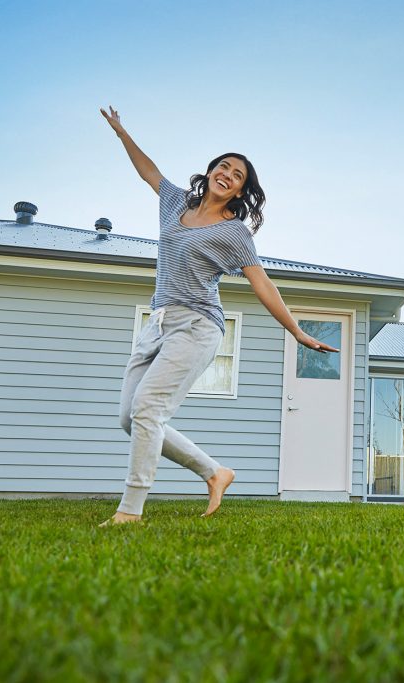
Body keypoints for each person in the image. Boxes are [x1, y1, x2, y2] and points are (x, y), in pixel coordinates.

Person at [98, 106, 338, 526]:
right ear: (209, 173)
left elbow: (262, 283)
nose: (227, 174)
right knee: (130, 418)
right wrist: (122, 133)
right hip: (158, 323)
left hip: (197, 326)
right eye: (223, 166)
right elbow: (148, 171)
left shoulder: (234, 232)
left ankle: (130, 511)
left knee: (149, 409)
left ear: (241, 192)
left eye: (238, 175)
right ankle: (215, 472)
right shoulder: (176, 204)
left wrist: (297, 331)